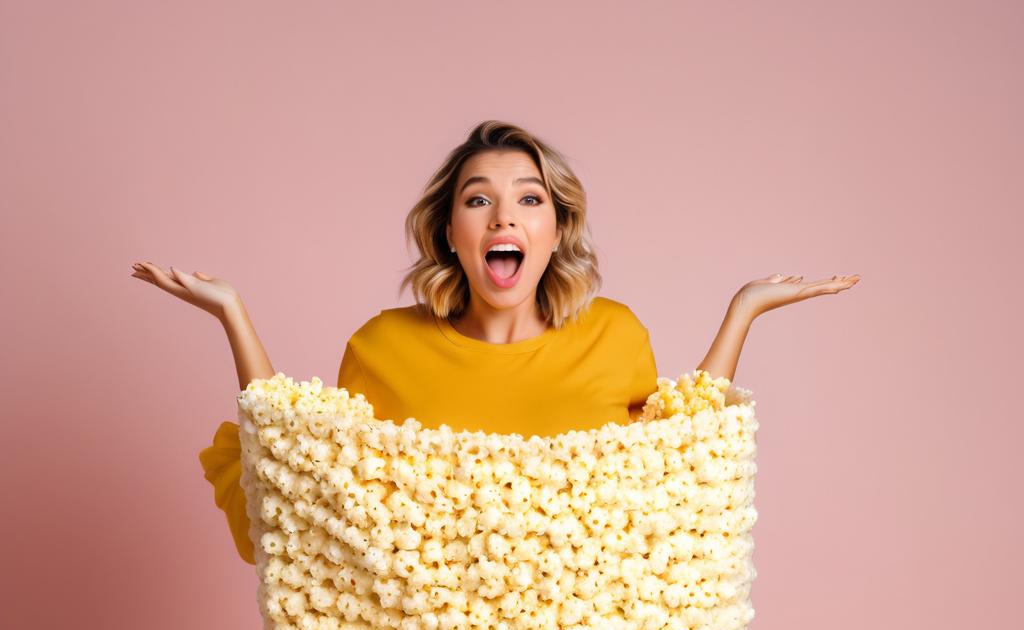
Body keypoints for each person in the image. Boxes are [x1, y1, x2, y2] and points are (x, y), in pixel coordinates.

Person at [130, 120, 859, 566]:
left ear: (556, 230)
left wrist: (744, 312)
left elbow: (686, 477)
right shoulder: (383, 349)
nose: (502, 216)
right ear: (451, 232)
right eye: (478, 199)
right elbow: (295, 489)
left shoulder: (614, 335)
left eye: (529, 200)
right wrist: (233, 314)